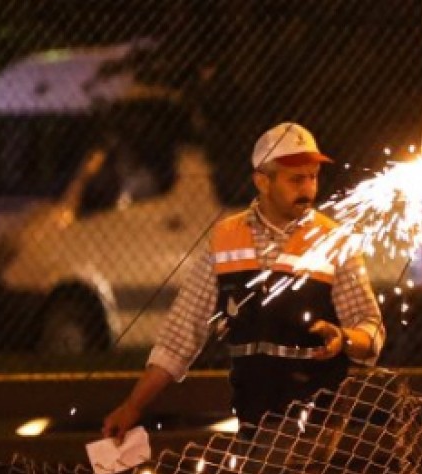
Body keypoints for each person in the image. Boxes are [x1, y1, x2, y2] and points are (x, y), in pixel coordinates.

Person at [103, 122, 385, 439]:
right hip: (254, 423)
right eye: (296, 179)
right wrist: (132, 406)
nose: (308, 189)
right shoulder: (226, 239)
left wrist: (345, 338)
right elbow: (180, 336)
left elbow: (371, 327)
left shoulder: (334, 240)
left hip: (321, 428)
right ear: (262, 181)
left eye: (313, 177)